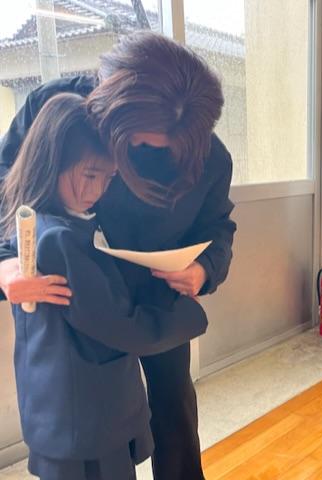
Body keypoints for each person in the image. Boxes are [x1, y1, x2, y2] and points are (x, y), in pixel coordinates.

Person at [0, 32, 236, 479]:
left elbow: (218, 226)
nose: (155, 152)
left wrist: (205, 269)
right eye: (142, 144)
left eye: (169, 147)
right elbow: (9, 183)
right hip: (73, 288)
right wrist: (5, 262)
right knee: (90, 423)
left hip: (158, 296)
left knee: (173, 412)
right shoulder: (61, 110)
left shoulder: (208, 154)